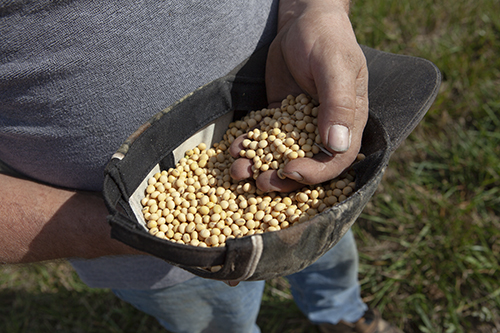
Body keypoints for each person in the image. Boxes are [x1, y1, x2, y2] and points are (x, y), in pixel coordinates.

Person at [0, 1, 402, 332]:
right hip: (143, 249)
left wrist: (313, 10)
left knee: (328, 258)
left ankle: (343, 315)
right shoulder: (158, 231)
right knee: (220, 321)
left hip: (295, 149)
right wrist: (131, 234)